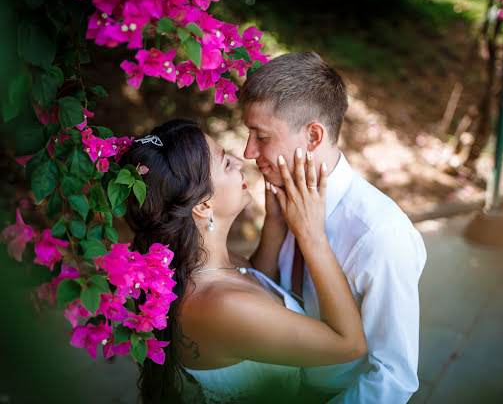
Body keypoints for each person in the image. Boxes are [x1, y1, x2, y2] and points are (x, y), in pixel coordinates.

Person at [120, 119, 366, 403]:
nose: (240, 160)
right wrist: (312, 236)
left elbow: (256, 284)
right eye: (226, 163)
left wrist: (274, 221)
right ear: (202, 206)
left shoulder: (198, 261)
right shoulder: (218, 305)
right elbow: (349, 346)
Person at [240, 52, 427, 403]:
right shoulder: (284, 194)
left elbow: (392, 378)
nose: (249, 152)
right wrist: (274, 228)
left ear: (313, 137)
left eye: (261, 136)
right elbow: (264, 292)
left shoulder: (380, 236)